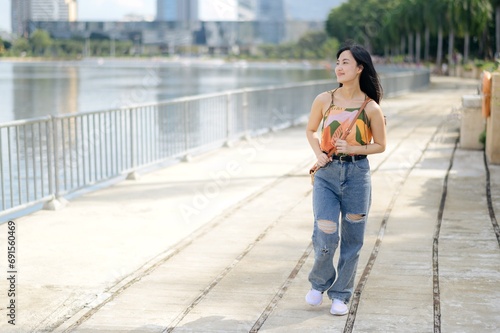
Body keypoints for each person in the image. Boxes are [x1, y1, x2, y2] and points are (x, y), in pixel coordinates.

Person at [304, 42, 386, 316]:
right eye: (338, 62)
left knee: (353, 239)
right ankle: (319, 283)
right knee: (325, 234)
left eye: (345, 62)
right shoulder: (324, 99)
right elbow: (311, 130)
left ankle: (341, 295)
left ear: (360, 68)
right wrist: (319, 154)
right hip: (327, 175)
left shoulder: (370, 107)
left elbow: (380, 145)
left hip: (357, 176)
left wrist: (352, 148)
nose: (339, 67)